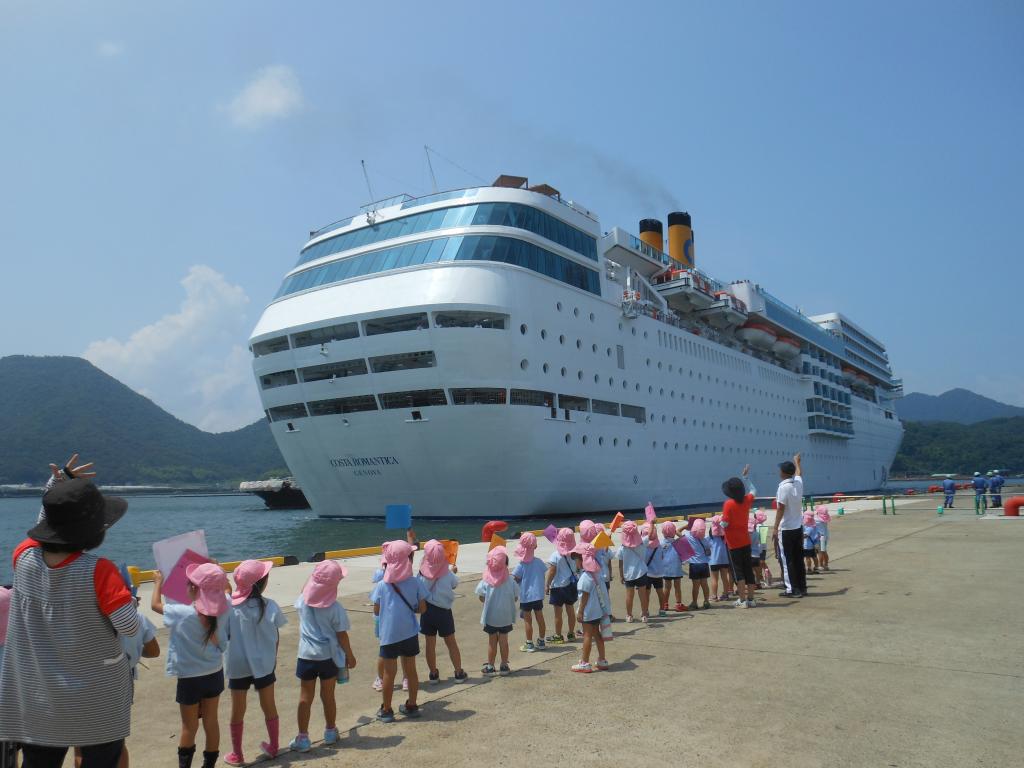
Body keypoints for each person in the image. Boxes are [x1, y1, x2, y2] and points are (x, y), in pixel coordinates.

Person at [0, 477, 139, 768]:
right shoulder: (100, 571)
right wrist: (130, 602)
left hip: (39, 696)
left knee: (39, 762)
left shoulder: (23, 557)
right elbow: (128, 626)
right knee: (100, 759)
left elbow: (47, 527)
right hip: (95, 700)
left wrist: (54, 486)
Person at [74, 565, 160, 768]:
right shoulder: (138, 619)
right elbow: (154, 651)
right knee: (118, 742)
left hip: (89, 684)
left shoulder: (89, 621)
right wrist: (137, 651)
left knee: (82, 744)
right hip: (122, 683)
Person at [152, 563, 229, 768]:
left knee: (189, 726)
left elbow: (155, 605)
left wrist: (158, 582)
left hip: (189, 678)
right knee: (211, 721)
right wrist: (217, 573)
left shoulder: (181, 612)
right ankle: (208, 765)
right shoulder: (226, 605)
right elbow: (227, 590)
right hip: (214, 673)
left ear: (194, 588)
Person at [223, 560, 288, 764]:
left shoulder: (227, 606)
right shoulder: (270, 605)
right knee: (269, 705)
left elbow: (224, 634)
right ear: (263, 583)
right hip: (264, 664)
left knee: (237, 710)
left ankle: (237, 753)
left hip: (237, 664)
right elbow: (276, 635)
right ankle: (274, 746)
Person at [289, 560, 354, 751]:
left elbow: (304, 590)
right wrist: (350, 655)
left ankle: (302, 737)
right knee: (328, 695)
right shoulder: (335, 608)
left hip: (306, 656)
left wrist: (315, 576)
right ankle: (330, 731)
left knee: (305, 697)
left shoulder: (302, 601)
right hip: (328, 657)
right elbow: (342, 635)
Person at [372, 540, 428, 722]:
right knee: (410, 669)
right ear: (409, 560)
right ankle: (412, 704)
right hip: (410, 632)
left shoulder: (382, 585)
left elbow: (376, 610)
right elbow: (422, 608)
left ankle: (387, 709)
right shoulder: (415, 583)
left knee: (389, 672)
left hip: (389, 634)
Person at [417, 539, 467, 682]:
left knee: (430, 644)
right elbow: (454, 584)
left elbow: (418, 588)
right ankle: (458, 672)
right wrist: (453, 572)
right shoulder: (447, 573)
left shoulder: (422, 573)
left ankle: (433, 673)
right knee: (451, 642)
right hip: (444, 611)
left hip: (427, 610)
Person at [475, 546, 520, 675]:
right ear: (506, 563)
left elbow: (481, 597)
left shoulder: (486, 581)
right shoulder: (510, 580)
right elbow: (516, 597)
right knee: (504, 641)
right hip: (505, 616)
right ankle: (504, 665)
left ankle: (490, 666)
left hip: (491, 617)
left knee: (492, 641)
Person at [721, 465, 758, 608]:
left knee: (738, 571)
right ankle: (751, 599)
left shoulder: (728, 504)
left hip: (733, 543)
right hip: (745, 541)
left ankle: (742, 600)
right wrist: (746, 478)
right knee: (748, 569)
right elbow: (754, 490)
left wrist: (718, 521)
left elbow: (724, 523)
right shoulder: (747, 500)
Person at [571, 543, 611, 673]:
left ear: (582, 560)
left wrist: (580, 611)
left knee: (587, 635)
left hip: (588, 611)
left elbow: (585, 596)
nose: (575, 562)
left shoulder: (585, 577)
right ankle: (602, 660)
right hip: (597, 610)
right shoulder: (596, 573)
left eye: (576, 559)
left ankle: (585, 662)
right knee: (597, 634)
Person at [773, 453, 807, 598]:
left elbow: (780, 508)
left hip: (786, 528)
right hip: (798, 527)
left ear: (784, 473)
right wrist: (797, 462)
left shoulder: (783, 488)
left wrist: (775, 528)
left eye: (780, 469)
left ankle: (792, 589)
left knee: (788, 560)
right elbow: (799, 474)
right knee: (799, 558)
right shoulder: (798, 484)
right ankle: (802, 587)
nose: (779, 471)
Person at [512, 532, 547, 652]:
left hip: (526, 596)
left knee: (528, 620)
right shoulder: (539, 562)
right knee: (540, 617)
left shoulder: (521, 565)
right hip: (538, 595)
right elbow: (542, 573)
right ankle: (542, 641)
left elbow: (515, 579)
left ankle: (529, 643)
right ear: (535, 547)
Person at [544, 528, 580, 642]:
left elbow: (552, 571)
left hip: (558, 588)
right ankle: (571, 633)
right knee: (570, 611)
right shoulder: (574, 554)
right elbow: (578, 568)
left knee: (558, 614)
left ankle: (558, 635)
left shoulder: (555, 555)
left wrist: (547, 584)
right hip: (570, 585)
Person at [615, 521, 650, 622]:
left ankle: (629, 615)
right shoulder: (642, 543)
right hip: (641, 572)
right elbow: (652, 535)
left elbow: (620, 564)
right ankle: (644, 615)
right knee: (642, 595)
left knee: (629, 596)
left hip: (628, 574)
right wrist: (652, 523)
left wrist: (621, 576)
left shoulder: (622, 548)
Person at [684, 518, 712, 609]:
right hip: (704, 564)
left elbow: (677, 531)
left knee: (695, 586)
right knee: (705, 584)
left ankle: (695, 602)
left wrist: (687, 525)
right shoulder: (705, 540)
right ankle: (706, 601)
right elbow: (708, 552)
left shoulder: (688, 536)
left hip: (694, 564)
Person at [659, 521, 687, 611]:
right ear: (674, 532)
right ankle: (678, 604)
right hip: (676, 568)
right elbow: (684, 556)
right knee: (677, 586)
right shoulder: (679, 543)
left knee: (667, 586)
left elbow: (659, 557)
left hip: (665, 568)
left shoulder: (661, 545)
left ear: (663, 533)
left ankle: (665, 604)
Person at [641, 522, 667, 616]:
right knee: (660, 591)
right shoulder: (659, 547)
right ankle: (662, 610)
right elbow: (662, 557)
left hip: (647, 573)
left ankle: (646, 611)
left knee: (646, 593)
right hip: (658, 573)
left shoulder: (644, 548)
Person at [708, 515, 734, 601]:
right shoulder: (725, 538)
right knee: (724, 578)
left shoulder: (710, 539)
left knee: (714, 579)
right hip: (724, 560)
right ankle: (726, 594)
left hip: (714, 560)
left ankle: (714, 596)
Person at [752, 511, 772, 586]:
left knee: (760, 564)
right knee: (761, 564)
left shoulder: (760, 526)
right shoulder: (760, 526)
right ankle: (762, 577)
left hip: (760, 549)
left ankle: (764, 577)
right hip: (761, 548)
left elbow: (762, 541)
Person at [814, 507, 832, 571]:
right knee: (824, 551)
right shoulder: (825, 518)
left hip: (820, 537)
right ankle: (826, 565)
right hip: (825, 536)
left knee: (820, 552)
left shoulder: (817, 520)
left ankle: (820, 565)